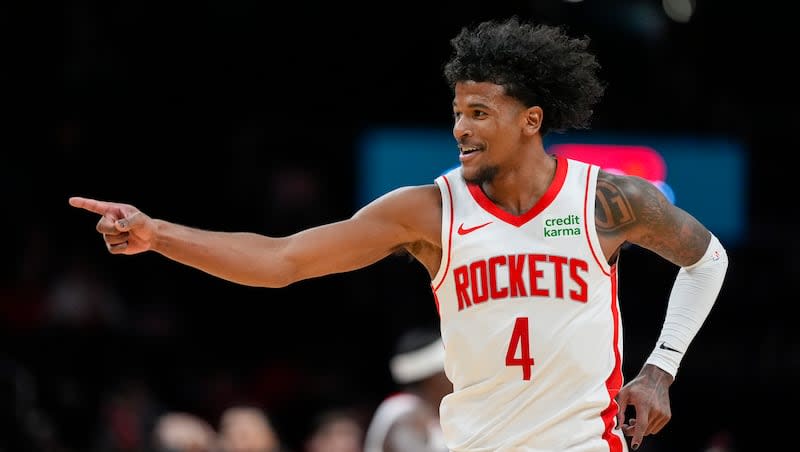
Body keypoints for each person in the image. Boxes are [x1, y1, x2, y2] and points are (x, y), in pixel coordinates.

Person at [69, 16, 729, 452]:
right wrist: (160, 235)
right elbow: (282, 260)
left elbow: (707, 260)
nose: (460, 128)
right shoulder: (428, 212)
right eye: (456, 113)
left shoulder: (608, 199)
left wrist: (659, 371)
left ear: (531, 120)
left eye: (479, 112)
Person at [363, 327, 451, 452]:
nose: (453, 377)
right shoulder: (402, 411)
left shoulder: (432, 412)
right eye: (446, 371)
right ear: (432, 379)